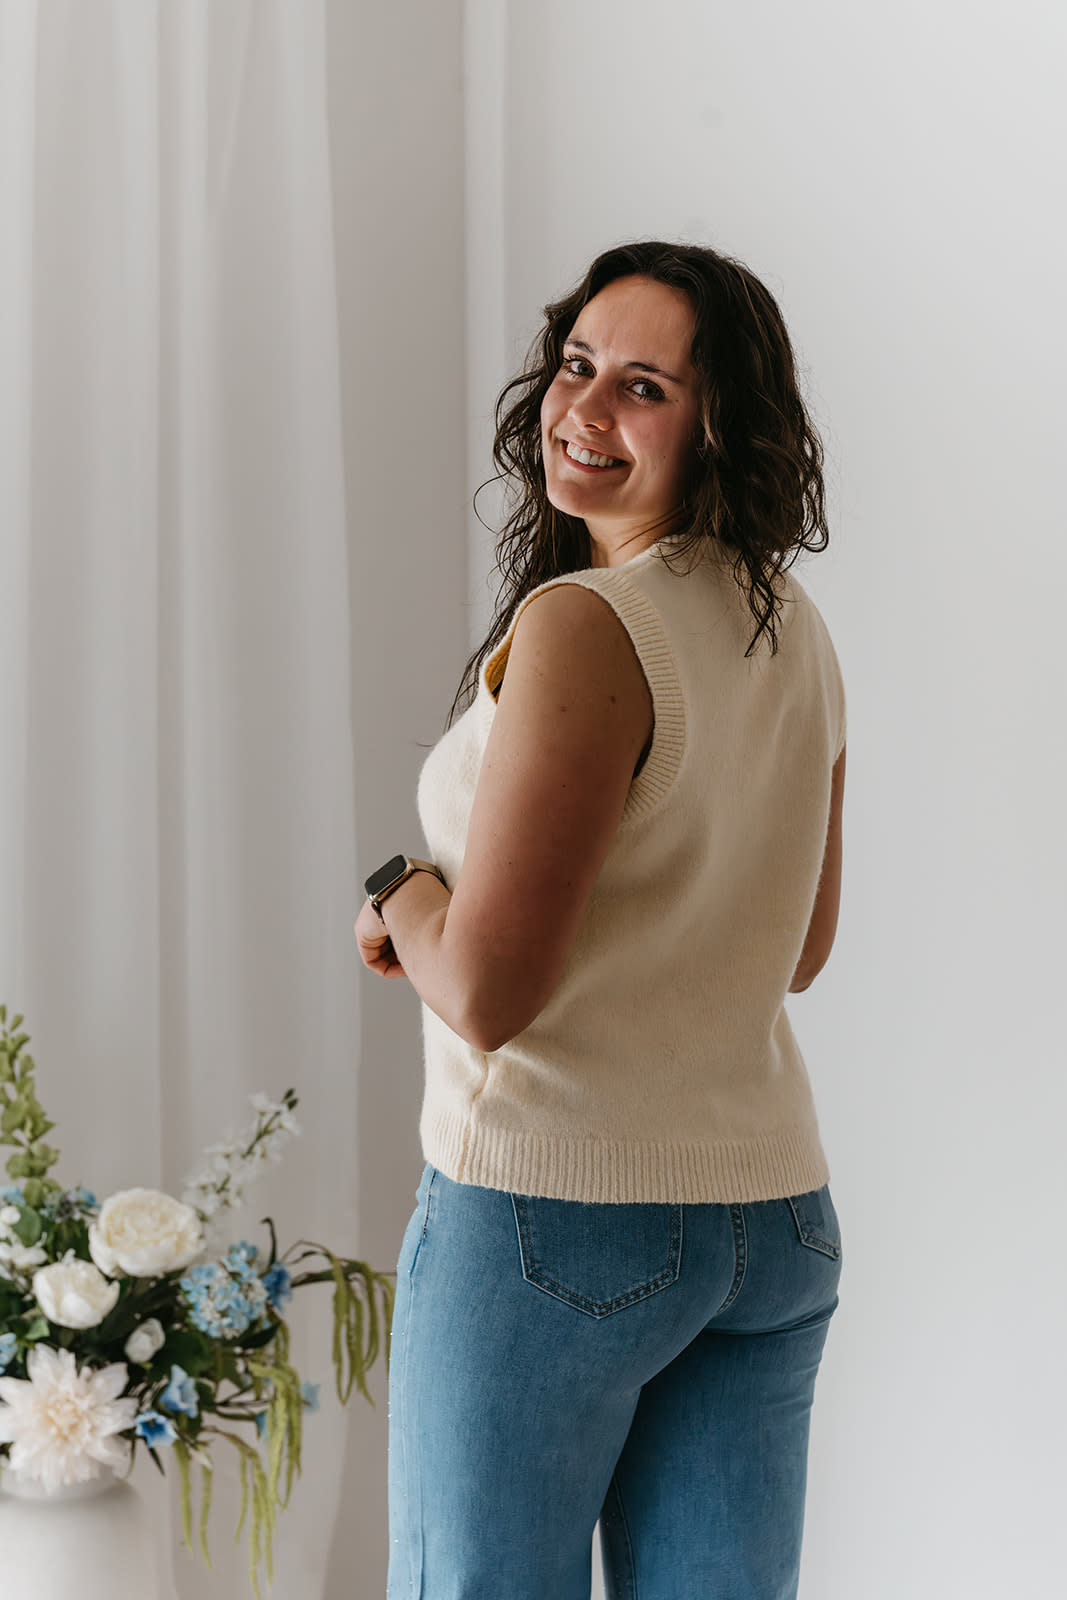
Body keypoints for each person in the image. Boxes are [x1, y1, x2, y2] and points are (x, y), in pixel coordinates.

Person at [355, 240, 847, 1600]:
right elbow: (800, 947)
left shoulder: (587, 623)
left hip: (552, 1221)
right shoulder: (791, 625)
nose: (582, 408)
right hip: (770, 1223)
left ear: (717, 425)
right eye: (577, 365)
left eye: (644, 387)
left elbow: (487, 992)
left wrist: (399, 889)